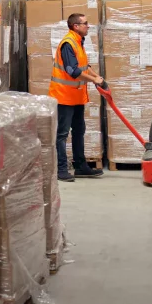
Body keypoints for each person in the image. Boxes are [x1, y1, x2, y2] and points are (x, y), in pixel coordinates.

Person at [49, 12, 104, 181]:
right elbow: (72, 71)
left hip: (77, 96)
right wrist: (95, 79)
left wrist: (98, 78)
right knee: (62, 134)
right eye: (85, 23)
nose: (88, 26)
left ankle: (81, 167)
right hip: (64, 96)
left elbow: (84, 66)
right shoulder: (68, 43)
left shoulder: (79, 42)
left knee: (79, 130)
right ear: (76, 26)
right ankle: (61, 170)